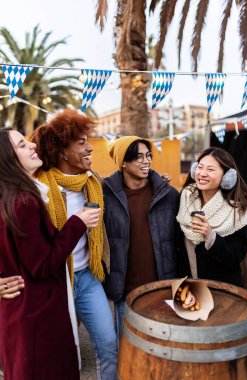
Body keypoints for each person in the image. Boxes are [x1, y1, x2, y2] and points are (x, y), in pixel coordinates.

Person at [0, 127, 101, 380]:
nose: (32, 146)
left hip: (17, 316)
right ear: (7, 158)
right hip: (37, 317)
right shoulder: (23, 201)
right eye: (22, 145)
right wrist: (77, 223)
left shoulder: (9, 197)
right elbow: (42, 265)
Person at [31, 109, 117, 380]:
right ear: (62, 151)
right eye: (81, 142)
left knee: (109, 345)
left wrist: (155, 180)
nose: (90, 147)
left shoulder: (93, 182)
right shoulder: (38, 190)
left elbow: (125, 189)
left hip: (88, 278)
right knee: (62, 355)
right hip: (56, 282)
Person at [102, 136, 179, 339]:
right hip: (125, 291)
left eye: (148, 156)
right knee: (128, 353)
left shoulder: (168, 194)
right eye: (138, 157)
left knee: (163, 351)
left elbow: (179, 241)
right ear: (123, 163)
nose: (146, 161)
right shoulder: (105, 196)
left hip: (161, 287)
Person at [176, 147, 247, 287]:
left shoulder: (239, 211)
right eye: (200, 167)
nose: (202, 173)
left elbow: (234, 258)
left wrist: (210, 235)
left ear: (227, 176)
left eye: (210, 170)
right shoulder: (185, 197)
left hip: (222, 291)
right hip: (188, 287)